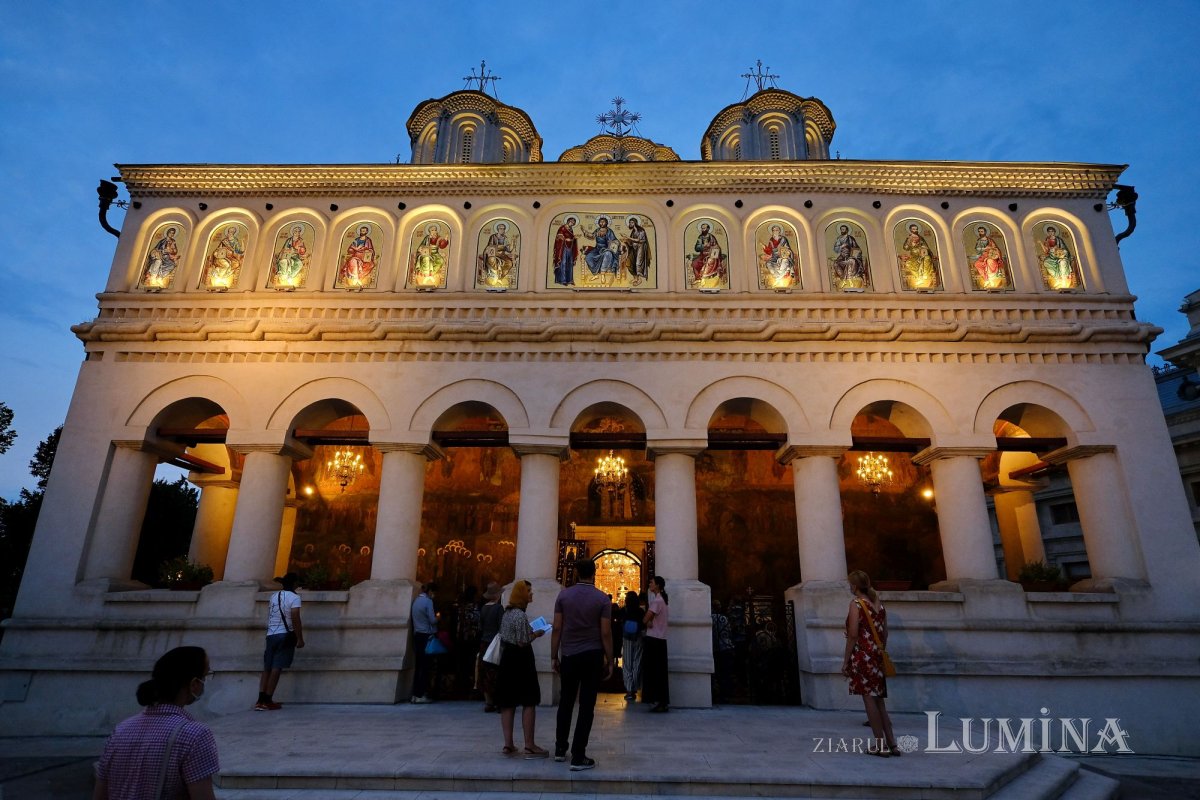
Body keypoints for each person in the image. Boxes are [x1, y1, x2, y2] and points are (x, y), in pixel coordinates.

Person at [93, 646, 219, 800]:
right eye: (205, 676)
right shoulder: (195, 736)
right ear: (194, 684)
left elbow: (99, 795)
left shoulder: (120, 731)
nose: (204, 683)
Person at [550, 558, 611, 770]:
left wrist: (553, 656)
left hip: (569, 655)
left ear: (576, 573)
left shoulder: (563, 596)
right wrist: (610, 659)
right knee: (587, 706)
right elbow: (605, 632)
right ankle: (578, 755)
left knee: (566, 702)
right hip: (592, 655)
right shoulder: (602, 599)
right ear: (593, 573)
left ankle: (559, 749)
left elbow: (557, 628)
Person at [841, 570, 900, 757]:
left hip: (862, 656)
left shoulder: (856, 604)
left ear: (855, 586)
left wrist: (846, 661)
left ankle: (880, 746)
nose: (850, 587)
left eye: (851, 584)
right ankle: (892, 744)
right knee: (879, 701)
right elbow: (885, 633)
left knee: (869, 700)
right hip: (877, 655)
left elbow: (853, 634)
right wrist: (879, 652)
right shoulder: (878, 605)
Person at [496, 580, 550, 758]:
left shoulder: (507, 613)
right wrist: (537, 633)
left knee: (508, 701)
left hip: (507, 659)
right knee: (529, 699)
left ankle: (508, 743)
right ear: (521, 594)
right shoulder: (519, 615)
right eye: (528, 591)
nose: (531, 594)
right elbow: (522, 641)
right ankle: (529, 744)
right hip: (521, 659)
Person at [256, 572, 304, 711]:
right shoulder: (295, 598)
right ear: (294, 584)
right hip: (285, 635)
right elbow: (295, 617)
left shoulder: (273, 596)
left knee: (267, 667)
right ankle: (268, 699)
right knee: (277, 667)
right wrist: (299, 637)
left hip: (271, 634)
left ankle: (260, 699)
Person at [641, 575, 670, 712]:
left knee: (654, 671)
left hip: (654, 639)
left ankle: (657, 699)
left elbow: (646, 618)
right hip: (661, 639)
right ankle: (661, 700)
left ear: (658, 585)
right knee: (660, 671)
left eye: (651, 582)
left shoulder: (656, 601)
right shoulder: (662, 600)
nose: (650, 584)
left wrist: (647, 621)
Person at [478, 582, 504, 712]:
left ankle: (488, 702)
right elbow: (501, 627)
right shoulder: (499, 609)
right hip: (495, 643)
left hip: (484, 643)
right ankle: (498, 701)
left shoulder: (483, 608)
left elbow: (481, 626)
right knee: (496, 673)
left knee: (485, 672)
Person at [410, 582, 438, 703]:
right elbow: (432, 620)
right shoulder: (428, 602)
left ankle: (415, 694)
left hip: (417, 635)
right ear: (430, 591)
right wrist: (438, 618)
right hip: (426, 635)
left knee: (418, 665)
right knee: (425, 666)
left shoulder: (416, 601)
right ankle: (421, 694)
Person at [581, 217, 620, 287]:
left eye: (603, 222)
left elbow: (615, 241)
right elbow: (592, 236)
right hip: (597, 249)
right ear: (598, 223)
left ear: (606, 223)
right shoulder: (597, 230)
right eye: (600, 222)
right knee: (588, 257)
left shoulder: (609, 231)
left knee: (608, 254)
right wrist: (584, 231)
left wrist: (612, 242)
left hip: (606, 249)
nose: (602, 223)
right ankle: (596, 275)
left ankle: (602, 274)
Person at [898, 222, 938, 289]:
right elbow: (905, 248)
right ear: (910, 230)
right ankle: (919, 277)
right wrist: (909, 241)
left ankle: (925, 276)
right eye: (913, 229)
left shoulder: (921, 238)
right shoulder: (909, 238)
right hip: (914, 256)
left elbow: (926, 246)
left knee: (927, 258)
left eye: (916, 229)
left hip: (923, 254)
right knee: (908, 263)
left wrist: (924, 249)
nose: (915, 230)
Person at [621, 589, 644, 701]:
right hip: (638, 637)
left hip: (627, 638)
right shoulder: (640, 611)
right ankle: (635, 686)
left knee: (627, 664)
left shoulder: (624, 611)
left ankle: (629, 690)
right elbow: (643, 623)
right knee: (637, 661)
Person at [711, 599, 735, 702]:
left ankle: (718, 693)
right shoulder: (724, 618)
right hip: (726, 647)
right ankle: (726, 694)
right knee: (725, 673)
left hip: (716, 648)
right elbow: (728, 631)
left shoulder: (710, 618)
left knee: (718, 672)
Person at [830, 224, 867, 288]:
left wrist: (854, 254)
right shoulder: (839, 239)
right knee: (836, 263)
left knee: (851, 261)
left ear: (847, 230)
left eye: (843, 229)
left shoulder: (850, 238)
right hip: (842, 256)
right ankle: (843, 278)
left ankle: (846, 280)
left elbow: (857, 248)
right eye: (841, 229)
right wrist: (841, 246)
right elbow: (836, 250)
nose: (842, 230)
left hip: (851, 256)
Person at [971, 225, 1007, 289]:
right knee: (977, 264)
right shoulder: (979, 240)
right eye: (979, 231)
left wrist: (991, 249)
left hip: (991, 256)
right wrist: (984, 248)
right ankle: (986, 279)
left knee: (989, 261)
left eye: (981, 231)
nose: (980, 233)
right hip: (983, 256)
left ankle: (992, 280)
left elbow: (995, 248)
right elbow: (977, 249)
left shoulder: (990, 240)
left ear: (985, 232)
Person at [689, 222, 725, 286]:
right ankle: (698, 278)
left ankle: (705, 279)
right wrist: (703, 246)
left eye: (704, 228)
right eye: (702, 228)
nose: (702, 230)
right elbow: (696, 248)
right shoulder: (700, 237)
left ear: (708, 229)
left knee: (710, 262)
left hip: (712, 255)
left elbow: (716, 246)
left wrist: (712, 248)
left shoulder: (711, 237)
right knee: (694, 263)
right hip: (702, 255)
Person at [623, 216, 651, 285]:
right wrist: (626, 240)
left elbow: (639, 240)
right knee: (629, 263)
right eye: (629, 222)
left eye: (631, 222)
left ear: (635, 223)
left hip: (640, 249)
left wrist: (628, 237)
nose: (630, 224)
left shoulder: (641, 230)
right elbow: (631, 242)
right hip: (634, 249)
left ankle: (639, 279)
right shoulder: (633, 232)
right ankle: (635, 278)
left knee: (638, 264)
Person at [552, 216, 579, 285]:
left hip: (570, 248)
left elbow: (571, 238)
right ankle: (562, 280)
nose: (572, 223)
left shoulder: (571, 229)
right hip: (563, 248)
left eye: (573, 223)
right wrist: (565, 239)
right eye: (571, 221)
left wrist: (574, 238)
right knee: (563, 263)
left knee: (569, 263)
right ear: (568, 221)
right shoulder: (562, 228)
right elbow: (559, 236)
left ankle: (569, 280)